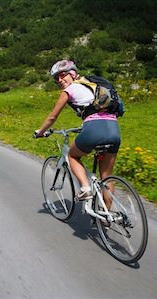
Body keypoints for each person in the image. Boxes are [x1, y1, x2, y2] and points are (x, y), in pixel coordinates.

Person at [34, 60, 121, 204]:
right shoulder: (92, 85)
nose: (60, 80)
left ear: (72, 74)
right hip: (113, 129)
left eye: (62, 76)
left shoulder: (70, 90)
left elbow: (52, 117)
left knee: (72, 156)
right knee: (106, 176)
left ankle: (85, 188)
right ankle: (107, 216)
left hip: (94, 129)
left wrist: (40, 132)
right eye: (57, 79)